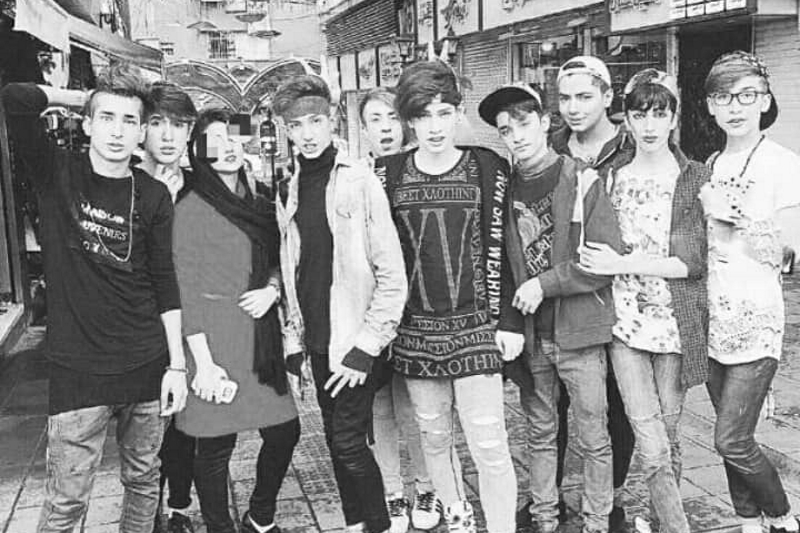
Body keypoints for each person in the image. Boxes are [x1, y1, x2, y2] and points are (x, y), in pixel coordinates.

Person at [1, 64, 188, 532]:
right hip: (78, 371)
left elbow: (165, 282)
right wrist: (80, 97)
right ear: (86, 124)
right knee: (66, 502)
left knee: (144, 481)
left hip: (146, 363)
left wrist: (178, 366)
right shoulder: (55, 172)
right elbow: (16, 97)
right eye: (106, 117)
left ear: (142, 133)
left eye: (130, 121)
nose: (117, 131)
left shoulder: (153, 195)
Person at [376, 60, 517, 533]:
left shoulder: (487, 166)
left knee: (489, 444)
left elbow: (508, 246)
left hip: (477, 328)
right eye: (422, 115)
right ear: (408, 120)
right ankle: (459, 519)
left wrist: (509, 320)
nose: (434, 127)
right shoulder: (386, 173)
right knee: (434, 438)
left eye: (443, 113)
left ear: (458, 112)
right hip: (415, 332)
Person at [478, 82, 620, 533]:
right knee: (540, 434)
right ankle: (544, 518)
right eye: (505, 130)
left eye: (523, 124)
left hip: (579, 333)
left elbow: (605, 263)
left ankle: (597, 521)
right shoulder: (502, 190)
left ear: (544, 123)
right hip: (532, 337)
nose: (516, 136)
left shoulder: (582, 180)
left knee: (594, 437)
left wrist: (545, 283)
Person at [577, 69, 710, 533]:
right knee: (651, 442)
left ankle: (659, 519)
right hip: (625, 326)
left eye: (659, 114)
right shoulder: (610, 177)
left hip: (675, 325)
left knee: (668, 436)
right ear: (627, 121)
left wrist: (622, 262)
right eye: (640, 115)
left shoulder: (694, 177)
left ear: (674, 119)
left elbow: (691, 263)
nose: (650, 125)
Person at [274, 75, 408, 533]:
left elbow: (392, 275)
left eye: (315, 121)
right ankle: (356, 524)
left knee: (349, 442)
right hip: (318, 338)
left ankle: (379, 524)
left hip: (355, 338)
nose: (308, 133)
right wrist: (294, 340)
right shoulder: (289, 187)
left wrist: (367, 346)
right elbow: (293, 270)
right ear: (287, 130)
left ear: (331, 119)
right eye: (297, 125)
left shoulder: (359, 180)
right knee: (335, 441)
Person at [167, 107, 299, 533]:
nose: (227, 147)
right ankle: (219, 526)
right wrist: (203, 364)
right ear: (199, 150)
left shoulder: (260, 200)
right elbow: (185, 289)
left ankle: (260, 516)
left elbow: (280, 258)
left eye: (235, 138)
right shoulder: (189, 208)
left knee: (285, 432)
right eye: (215, 140)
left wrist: (273, 289)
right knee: (214, 445)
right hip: (212, 338)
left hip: (260, 337)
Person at [699, 50, 800, 533]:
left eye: (746, 95)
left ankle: (782, 516)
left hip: (756, 321)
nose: (735, 106)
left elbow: (788, 254)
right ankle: (748, 522)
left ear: (765, 100)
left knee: (730, 438)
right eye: (723, 97)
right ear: (710, 106)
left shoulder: (784, 163)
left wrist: (734, 217)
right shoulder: (710, 164)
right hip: (712, 318)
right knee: (731, 436)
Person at [548, 55, 636, 530]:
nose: (574, 107)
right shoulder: (551, 147)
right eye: (565, 98)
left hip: (625, 295)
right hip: (565, 297)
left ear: (607, 96)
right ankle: (551, 497)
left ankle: (611, 498)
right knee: (556, 406)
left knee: (616, 404)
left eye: (585, 96)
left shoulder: (634, 144)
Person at [358, 87, 440, 533]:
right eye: (375, 120)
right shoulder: (356, 176)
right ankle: (391, 492)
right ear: (363, 128)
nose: (386, 128)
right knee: (379, 410)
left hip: (417, 309)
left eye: (392, 117)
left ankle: (427, 486)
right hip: (372, 312)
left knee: (415, 407)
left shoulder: (420, 169)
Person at [137, 81, 198, 533]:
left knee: (185, 424)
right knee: (147, 431)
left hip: (192, 322)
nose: (168, 135)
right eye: (157, 122)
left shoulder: (198, 186)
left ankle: (178, 508)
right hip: (140, 324)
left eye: (178, 125)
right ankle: (147, 514)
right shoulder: (124, 183)